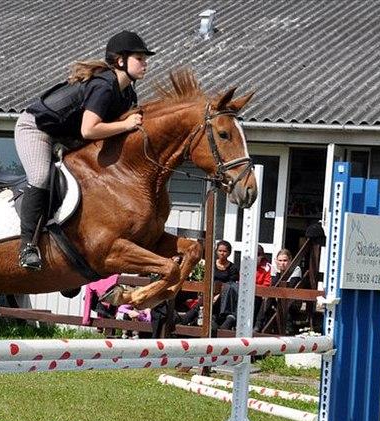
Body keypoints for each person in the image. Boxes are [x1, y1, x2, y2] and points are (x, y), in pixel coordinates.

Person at [14, 30, 155, 270]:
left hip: (66, 136)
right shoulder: (104, 86)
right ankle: (27, 246)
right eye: (139, 58)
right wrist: (125, 124)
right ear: (120, 61)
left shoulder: (128, 92)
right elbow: (90, 130)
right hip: (37, 129)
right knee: (40, 177)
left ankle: (68, 251)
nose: (145, 63)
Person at [182, 240, 239, 330]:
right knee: (203, 301)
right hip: (209, 292)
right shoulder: (211, 264)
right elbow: (206, 278)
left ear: (229, 253)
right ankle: (183, 322)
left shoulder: (233, 268)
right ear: (216, 252)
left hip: (224, 296)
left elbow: (231, 285)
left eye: (224, 251)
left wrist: (217, 295)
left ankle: (185, 320)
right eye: (220, 251)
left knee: (206, 302)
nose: (222, 253)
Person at [255, 248, 302, 333]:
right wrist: (278, 271)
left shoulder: (296, 269)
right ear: (276, 261)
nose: (282, 263)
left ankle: (287, 328)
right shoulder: (275, 269)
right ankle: (258, 325)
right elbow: (274, 286)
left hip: (291, 301)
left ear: (290, 260)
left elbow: (290, 287)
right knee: (268, 297)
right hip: (276, 298)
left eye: (285, 260)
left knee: (275, 298)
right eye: (279, 260)